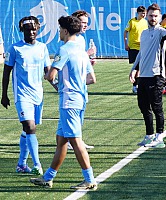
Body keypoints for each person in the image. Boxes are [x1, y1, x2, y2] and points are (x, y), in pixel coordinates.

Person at [30, 16, 97, 190]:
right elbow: (91, 79)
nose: (59, 32)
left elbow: (51, 75)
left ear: (65, 31)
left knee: (75, 141)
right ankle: (48, 177)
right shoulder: (82, 51)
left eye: (60, 29)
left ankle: (89, 179)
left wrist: (55, 83)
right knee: (61, 140)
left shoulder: (64, 49)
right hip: (80, 99)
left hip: (69, 101)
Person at [1, 16, 52, 175]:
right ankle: (37, 164)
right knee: (30, 128)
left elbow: (48, 72)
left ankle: (21, 164)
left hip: (38, 95)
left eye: (34, 28)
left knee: (29, 129)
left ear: (37, 29)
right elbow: (6, 72)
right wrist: (4, 94)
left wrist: (58, 86)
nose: (31, 31)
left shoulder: (43, 47)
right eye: (28, 29)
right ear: (22, 30)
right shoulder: (15, 49)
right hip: (22, 95)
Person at [129, 3, 166, 148]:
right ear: (147, 16)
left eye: (155, 16)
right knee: (143, 106)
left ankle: (159, 137)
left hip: (156, 76)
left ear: (159, 17)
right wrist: (134, 69)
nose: (153, 18)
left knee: (157, 107)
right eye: (151, 15)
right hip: (143, 76)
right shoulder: (144, 33)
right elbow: (141, 53)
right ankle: (149, 135)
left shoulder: (161, 31)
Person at [66, 10, 97, 150]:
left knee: (81, 108)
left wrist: (89, 61)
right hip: (72, 82)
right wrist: (87, 54)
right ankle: (71, 139)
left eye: (86, 23)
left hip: (81, 79)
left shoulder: (81, 39)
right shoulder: (71, 39)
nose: (85, 25)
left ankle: (77, 138)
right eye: (83, 22)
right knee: (73, 109)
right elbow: (72, 57)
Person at [124, 6, 148, 94]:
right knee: (136, 67)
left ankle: (137, 85)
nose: (144, 15)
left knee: (140, 68)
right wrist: (126, 43)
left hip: (143, 47)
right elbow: (125, 32)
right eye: (143, 13)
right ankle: (135, 86)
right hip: (133, 47)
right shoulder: (132, 21)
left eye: (145, 13)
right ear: (138, 13)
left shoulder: (145, 22)